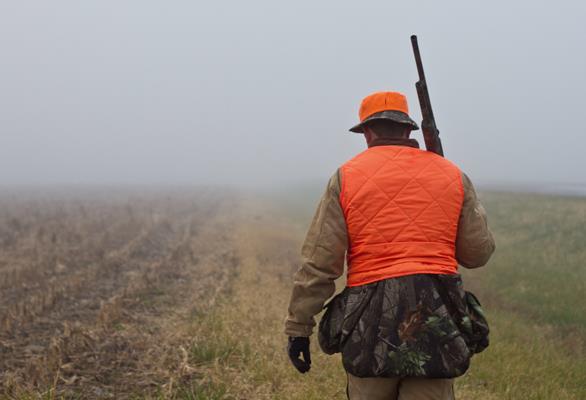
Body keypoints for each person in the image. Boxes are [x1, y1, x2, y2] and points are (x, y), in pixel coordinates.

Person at [284, 91, 495, 400]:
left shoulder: (345, 177)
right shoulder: (452, 174)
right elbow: (477, 254)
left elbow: (319, 263)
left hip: (370, 325)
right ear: (408, 130)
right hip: (436, 318)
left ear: (367, 132)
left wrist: (298, 329)